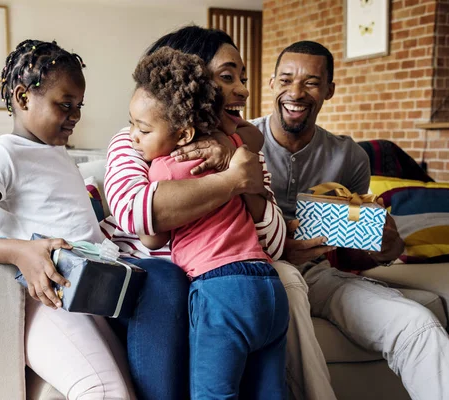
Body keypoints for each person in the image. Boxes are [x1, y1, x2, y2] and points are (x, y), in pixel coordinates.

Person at [0, 39, 190, 400]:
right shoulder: (1, 154)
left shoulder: (58, 154)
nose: (75, 115)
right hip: (51, 299)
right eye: (64, 105)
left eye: (79, 106)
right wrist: (21, 252)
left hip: (89, 293)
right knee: (106, 392)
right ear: (23, 99)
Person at [102, 26, 335, 400]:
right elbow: (137, 215)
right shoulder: (138, 138)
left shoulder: (240, 149)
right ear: (186, 80)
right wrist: (233, 181)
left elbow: (273, 243)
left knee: (286, 277)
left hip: (224, 283)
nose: (243, 90)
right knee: (168, 281)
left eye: (242, 77)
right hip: (167, 283)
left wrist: (234, 161)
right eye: (228, 77)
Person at [248, 40, 449, 399]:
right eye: (286, 79)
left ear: (329, 90)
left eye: (311, 82)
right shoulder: (239, 141)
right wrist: (279, 245)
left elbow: (349, 254)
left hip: (317, 275)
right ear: (272, 84)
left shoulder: (350, 156)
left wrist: (384, 249)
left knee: (416, 325)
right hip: (252, 272)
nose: (296, 91)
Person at [129, 46, 289, 399]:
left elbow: (151, 238)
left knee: (213, 394)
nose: (132, 138)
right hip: (269, 286)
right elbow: (255, 137)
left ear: (183, 134)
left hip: (220, 290)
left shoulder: (164, 168)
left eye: (141, 129)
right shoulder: (231, 149)